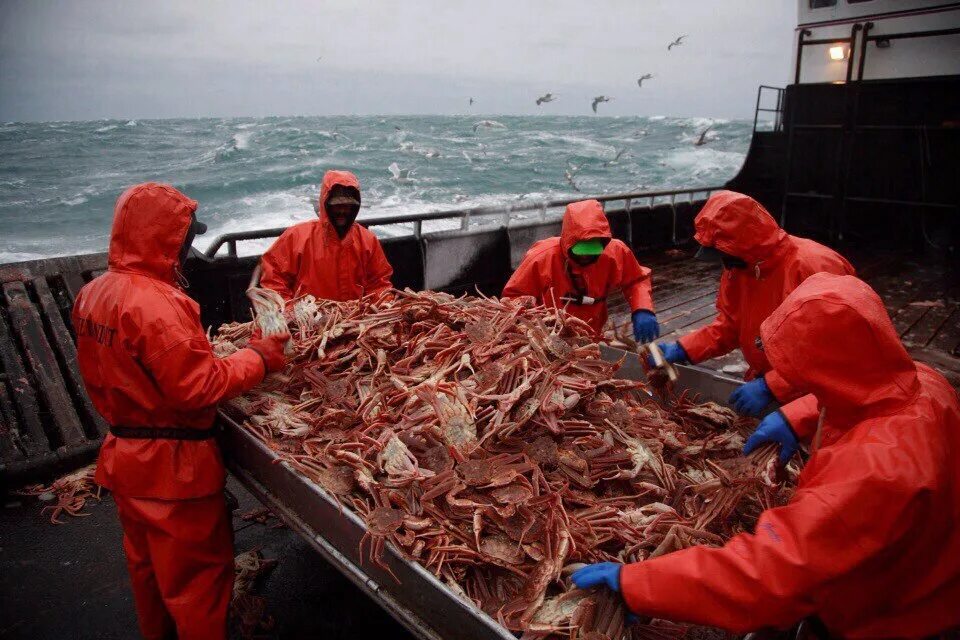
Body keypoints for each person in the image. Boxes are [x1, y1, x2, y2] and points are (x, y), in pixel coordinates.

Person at [573, 273, 960, 637]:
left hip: (888, 617)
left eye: (799, 371)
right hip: (928, 572)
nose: (789, 378)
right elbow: (865, 394)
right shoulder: (924, 380)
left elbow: (770, 574)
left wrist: (639, 584)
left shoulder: (874, 472)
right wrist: (796, 415)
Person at [72, 183, 289, 640]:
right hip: (175, 473)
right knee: (197, 588)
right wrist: (261, 356)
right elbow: (199, 386)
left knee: (149, 576)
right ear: (165, 239)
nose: (187, 251)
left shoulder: (92, 294)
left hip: (126, 461)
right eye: (185, 239)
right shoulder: (159, 304)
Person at [650, 190, 853, 440]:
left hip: (822, 397)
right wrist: (683, 348)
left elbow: (838, 355)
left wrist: (773, 386)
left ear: (746, 245)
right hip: (766, 381)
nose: (724, 262)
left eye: (725, 254)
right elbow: (729, 328)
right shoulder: (738, 268)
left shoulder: (815, 266)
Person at [502, 199, 658, 342]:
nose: (586, 258)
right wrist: (535, 325)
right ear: (568, 243)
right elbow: (514, 297)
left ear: (604, 244)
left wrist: (642, 308)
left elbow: (637, 280)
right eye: (581, 253)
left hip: (592, 334)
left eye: (593, 253)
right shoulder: (541, 257)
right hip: (548, 336)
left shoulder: (615, 252)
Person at [260, 170, 393, 301]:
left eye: (348, 206)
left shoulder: (368, 240)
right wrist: (290, 312)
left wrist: (383, 304)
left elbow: (379, 284)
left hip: (355, 318)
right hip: (308, 318)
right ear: (325, 204)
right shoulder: (297, 237)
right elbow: (273, 279)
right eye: (337, 205)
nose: (342, 211)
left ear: (355, 207)